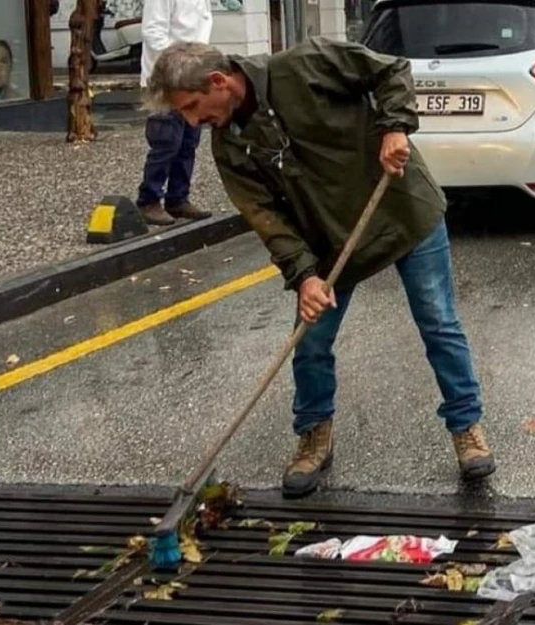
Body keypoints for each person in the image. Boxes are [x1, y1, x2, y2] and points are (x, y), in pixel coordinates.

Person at [141, 38, 496, 498]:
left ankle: (466, 429)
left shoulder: (304, 65)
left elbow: (390, 69)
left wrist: (394, 128)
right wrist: (305, 275)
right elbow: (267, 217)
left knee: (438, 323)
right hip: (328, 242)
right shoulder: (228, 145)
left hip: (400, 209)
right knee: (310, 342)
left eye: (192, 107)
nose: (192, 121)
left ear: (218, 81)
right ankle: (314, 435)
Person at [135, 0, 214, 226]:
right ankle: (148, 200)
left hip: (191, 77)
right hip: (166, 78)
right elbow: (153, 32)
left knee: (189, 141)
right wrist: (181, 62)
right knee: (166, 141)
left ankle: (178, 198)